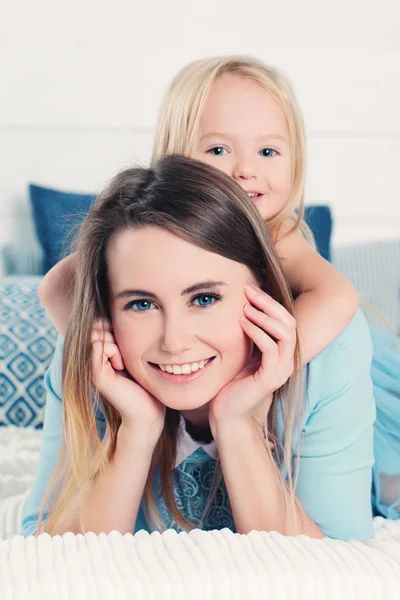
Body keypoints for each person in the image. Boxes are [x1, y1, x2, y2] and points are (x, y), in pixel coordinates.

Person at [22, 156, 376, 540]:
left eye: (204, 299)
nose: (174, 342)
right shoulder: (92, 355)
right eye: (141, 304)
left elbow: (339, 566)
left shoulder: (330, 354)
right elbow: (45, 553)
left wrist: (239, 423)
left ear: (264, 287)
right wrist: (135, 432)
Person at [38, 56, 359, 364]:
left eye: (267, 151)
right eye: (218, 149)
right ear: (175, 158)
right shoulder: (150, 232)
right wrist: (109, 354)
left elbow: (337, 296)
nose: (246, 169)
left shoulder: (277, 233)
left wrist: (263, 373)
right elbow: (56, 287)